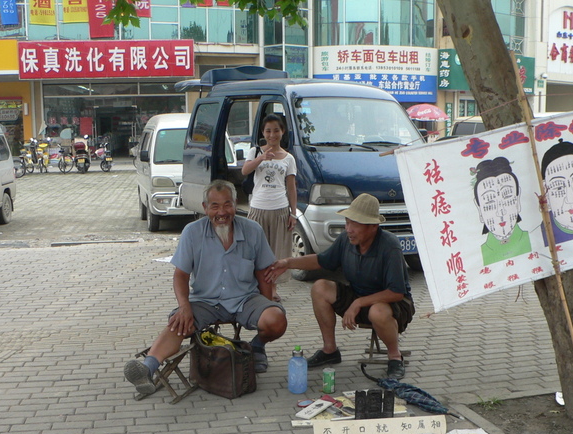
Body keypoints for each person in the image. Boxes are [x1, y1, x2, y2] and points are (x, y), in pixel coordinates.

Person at [124, 180, 287, 394]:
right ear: (205, 208)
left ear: (236, 204)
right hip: (205, 301)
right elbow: (180, 275)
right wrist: (184, 307)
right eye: (215, 206)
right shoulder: (192, 232)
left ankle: (256, 347)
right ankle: (148, 369)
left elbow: (263, 273)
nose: (222, 212)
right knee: (179, 323)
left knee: (276, 319)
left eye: (227, 205)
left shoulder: (252, 230)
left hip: (245, 299)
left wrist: (266, 304)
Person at [267, 193, 414, 380]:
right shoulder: (346, 240)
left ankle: (394, 356)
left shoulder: (389, 245)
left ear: (373, 227)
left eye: (356, 224)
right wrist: (288, 262)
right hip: (359, 297)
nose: (349, 229)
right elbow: (321, 261)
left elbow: (396, 292)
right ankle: (330, 350)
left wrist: (358, 303)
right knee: (320, 287)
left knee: (377, 311)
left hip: (394, 304)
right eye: (347, 222)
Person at [241, 114, 298, 302]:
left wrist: (293, 213)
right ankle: (256, 287)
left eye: (276, 130)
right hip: (258, 208)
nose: (272, 134)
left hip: (280, 209)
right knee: (256, 250)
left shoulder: (289, 158)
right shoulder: (255, 151)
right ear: (263, 133)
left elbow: (291, 187)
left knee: (276, 252)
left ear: (282, 132)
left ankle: (272, 289)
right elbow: (245, 170)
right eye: (268, 131)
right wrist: (262, 158)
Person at [472, 156, 532, 265]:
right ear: (479, 209)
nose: (501, 212)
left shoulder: (533, 238)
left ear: (517, 200)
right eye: (490, 202)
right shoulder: (479, 254)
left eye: (508, 196)